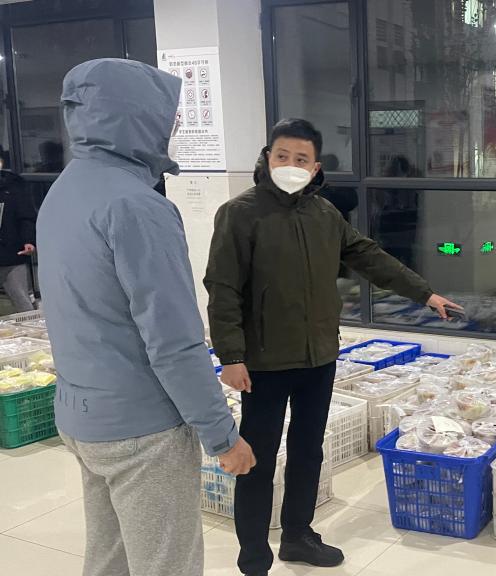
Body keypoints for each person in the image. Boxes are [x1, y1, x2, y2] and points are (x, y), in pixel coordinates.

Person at [205, 118, 460, 576]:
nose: (290, 164)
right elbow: (222, 288)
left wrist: (425, 294)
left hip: (318, 357)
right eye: (282, 155)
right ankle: (253, 554)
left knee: (308, 450)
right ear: (268, 157)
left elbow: (371, 258)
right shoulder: (239, 213)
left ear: (315, 166)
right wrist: (231, 356)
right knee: (256, 458)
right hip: (263, 362)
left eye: (301, 158)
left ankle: (298, 536)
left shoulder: (324, 215)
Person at [37, 59, 255, 576]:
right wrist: (222, 436)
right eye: (167, 116)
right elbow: (173, 342)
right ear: (135, 117)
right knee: (165, 565)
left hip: (81, 416)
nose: (172, 128)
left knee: (109, 557)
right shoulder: (137, 206)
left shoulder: (63, 191)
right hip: (142, 430)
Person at [0, 152, 38, 312]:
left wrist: (28, 240)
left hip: (12, 253)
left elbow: (26, 216)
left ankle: (32, 325)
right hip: (12, 252)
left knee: (21, 299)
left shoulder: (15, 185)